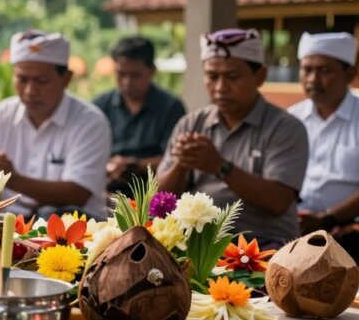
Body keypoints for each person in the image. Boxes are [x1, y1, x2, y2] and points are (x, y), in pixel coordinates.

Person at [158, 28, 308, 249]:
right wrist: (182, 164)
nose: (220, 87)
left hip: (263, 246)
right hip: (196, 245)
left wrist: (220, 166)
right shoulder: (191, 123)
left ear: (260, 77)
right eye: (212, 76)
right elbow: (161, 202)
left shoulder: (285, 127)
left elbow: (278, 201)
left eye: (232, 77)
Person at [0, 30, 111, 220]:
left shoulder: (90, 121)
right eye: (22, 80)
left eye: (41, 81)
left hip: (73, 230)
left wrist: (11, 179)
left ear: (66, 79)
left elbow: (77, 193)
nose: (30, 91)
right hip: (6, 225)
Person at [289, 32, 359, 258]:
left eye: (324, 70)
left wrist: (328, 219)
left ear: (350, 73)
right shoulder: (291, 119)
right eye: (307, 69)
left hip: (348, 232)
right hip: (294, 229)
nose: (312, 79)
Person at [93, 37, 186, 193]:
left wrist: (137, 165)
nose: (127, 82)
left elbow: (176, 159)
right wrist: (111, 164)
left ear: (152, 71)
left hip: (154, 194)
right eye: (121, 74)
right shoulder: (100, 106)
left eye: (135, 75)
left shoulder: (171, 107)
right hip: (105, 191)